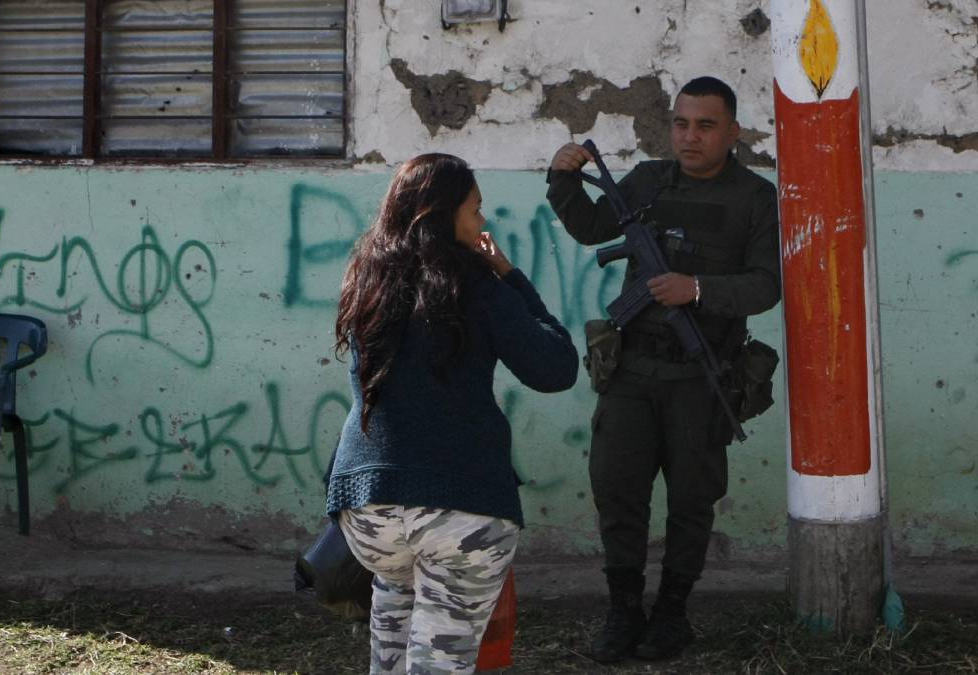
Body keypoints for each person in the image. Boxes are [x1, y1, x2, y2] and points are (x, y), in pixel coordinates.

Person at [545, 76, 781, 662]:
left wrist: (696, 289)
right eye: (681, 124)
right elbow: (592, 229)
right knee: (618, 490)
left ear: (733, 132)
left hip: (702, 376)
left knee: (692, 500)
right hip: (631, 370)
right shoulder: (649, 182)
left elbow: (766, 285)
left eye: (705, 126)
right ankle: (623, 610)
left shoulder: (755, 197)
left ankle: (672, 613)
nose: (690, 137)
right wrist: (562, 178)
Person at [327, 153, 579, 674]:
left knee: (393, 649)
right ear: (443, 215)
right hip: (458, 508)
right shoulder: (478, 286)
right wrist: (510, 274)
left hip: (368, 510)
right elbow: (555, 368)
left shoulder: (368, 279)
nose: (483, 222)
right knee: (439, 663)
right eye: (476, 210)